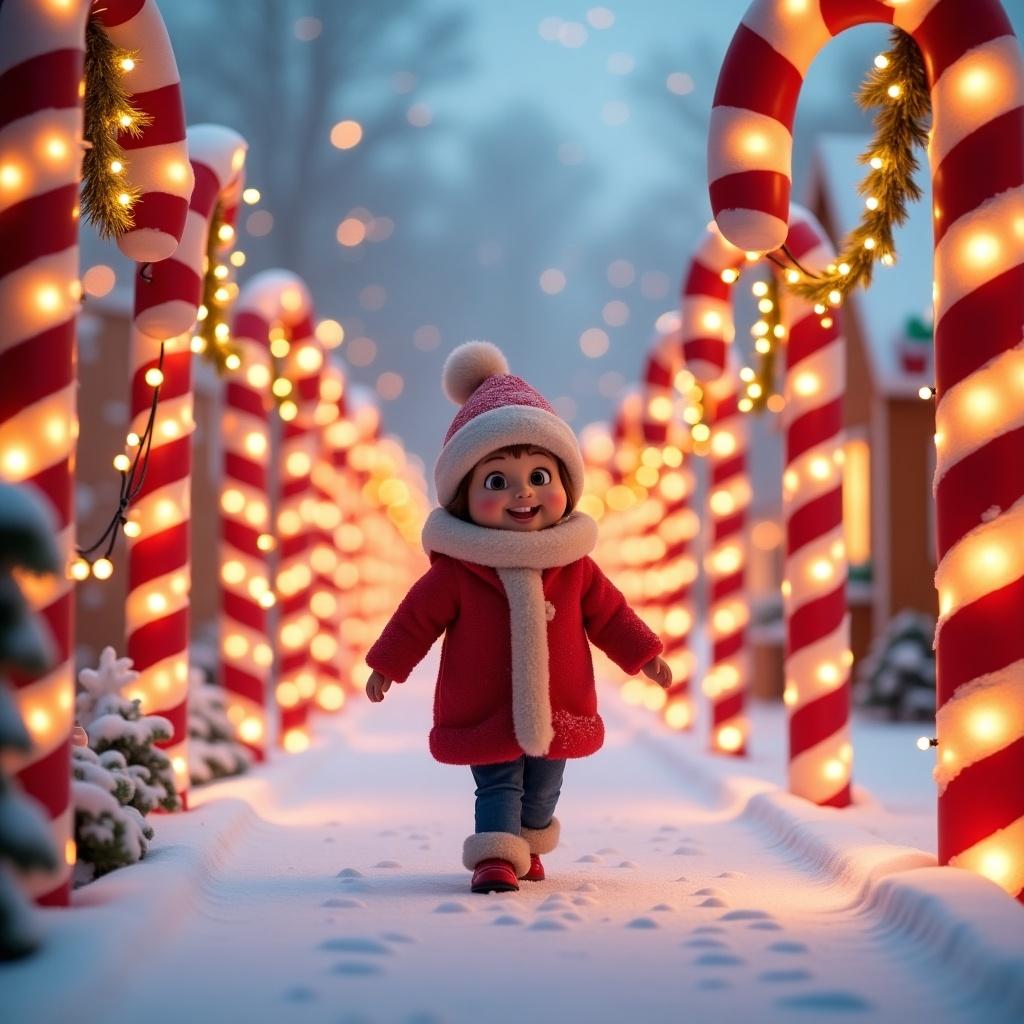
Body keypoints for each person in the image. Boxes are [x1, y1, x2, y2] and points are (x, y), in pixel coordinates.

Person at [365, 341, 671, 894]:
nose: (522, 494)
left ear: (565, 487)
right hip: (486, 702)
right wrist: (388, 664)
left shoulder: (574, 566)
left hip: (560, 702)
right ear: (464, 496)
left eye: (538, 477)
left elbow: (609, 615)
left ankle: (527, 842)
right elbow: (416, 618)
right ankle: (495, 859)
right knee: (497, 782)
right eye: (497, 481)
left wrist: (643, 654)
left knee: (544, 787)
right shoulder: (460, 570)